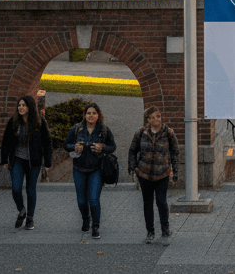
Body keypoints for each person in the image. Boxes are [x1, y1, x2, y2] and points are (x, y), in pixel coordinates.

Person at [63, 101, 116, 239]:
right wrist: (74, 146)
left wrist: (102, 148)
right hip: (79, 168)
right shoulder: (76, 129)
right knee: (81, 200)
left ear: (98, 115)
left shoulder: (103, 130)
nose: (91, 116)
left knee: (93, 199)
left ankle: (96, 226)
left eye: (94, 113)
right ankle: (86, 218)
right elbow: (66, 145)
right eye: (88, 113)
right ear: (84, 115)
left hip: (96, 169)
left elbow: (112, 146)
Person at [0, 95, 52, 231]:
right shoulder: (14, 121)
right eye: (19, 105)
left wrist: (47, 160)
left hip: (33, 161)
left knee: (30, 189)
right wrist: (4, 160)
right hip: (17, 158)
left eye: (23, 105)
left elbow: (47, 142)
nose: (20, 108)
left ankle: (30, 217)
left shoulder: (39, 122)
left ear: (30, 107)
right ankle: (21, 210)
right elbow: (6, 141)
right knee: (16, 188)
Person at [128, 106, 179, 243]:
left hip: (162, 173)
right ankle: (150, 232)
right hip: (144, 174)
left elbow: (175, 153)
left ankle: (165, 230)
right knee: (147, 203)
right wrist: (133, 168)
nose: (157, 119)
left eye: (158, 116)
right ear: (148, 119)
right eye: (153, 117)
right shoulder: (140, 133)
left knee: (161, 202)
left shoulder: (168, 133)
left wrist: (175, 172)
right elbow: (132, 150)